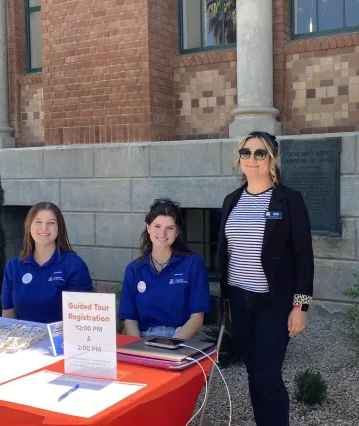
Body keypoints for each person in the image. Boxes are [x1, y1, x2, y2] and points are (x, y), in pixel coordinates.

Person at [218, 131, 314, 426]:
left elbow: (304, 257)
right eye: (246, 153)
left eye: (260, 153)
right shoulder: (231, 201)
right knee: (252, 373)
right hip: (239, 299)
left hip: (273, 303)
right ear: (239, 158)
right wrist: (228, 301)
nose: (252, 159)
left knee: (268, 375)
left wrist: (300, 307)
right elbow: (226, 252)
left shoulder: (289, 200)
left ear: (271, 158)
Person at [118, 198, 210, 339]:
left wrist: (171, 345)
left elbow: (197, 318)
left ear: (177, 232)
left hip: (184, 339)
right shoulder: (134, 269)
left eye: (170, 228)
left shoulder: (193, 264)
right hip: (144, 339)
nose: (162, 233)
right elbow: (130, 320)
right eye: (157, 226)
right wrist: (138, 349)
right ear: (148, 228)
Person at [1, 202, 94, 323]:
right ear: (29, 227)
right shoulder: (13, 266)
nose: (44, 228)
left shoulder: (74, 265)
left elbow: (82, 319)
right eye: (38, 222)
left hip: (61, 340)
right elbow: (8, 315)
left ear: (59, 228)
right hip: (24, 338)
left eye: (51, 223)